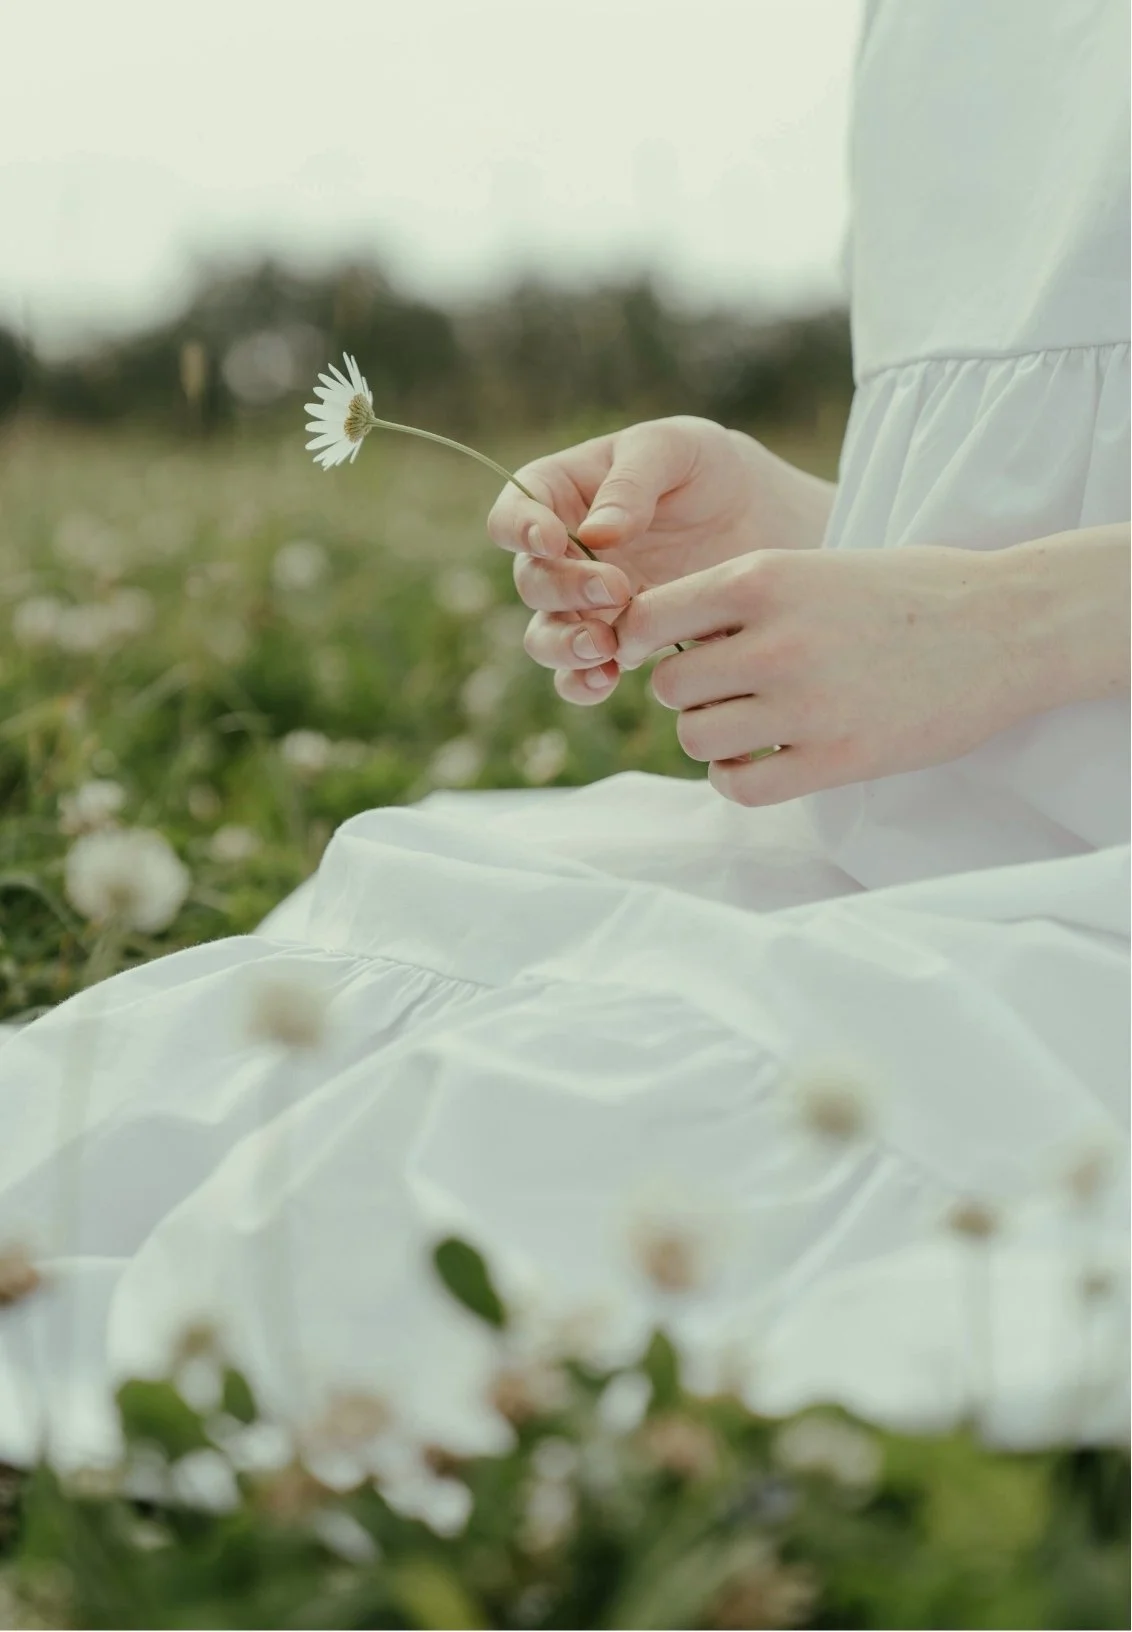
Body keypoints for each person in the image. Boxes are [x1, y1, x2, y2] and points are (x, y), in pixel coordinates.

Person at [0, 0, 1127, 1480]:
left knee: (482, 1221)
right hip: (906, 870)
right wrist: (818, 534)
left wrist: (1022, 626)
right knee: (244, 1086)